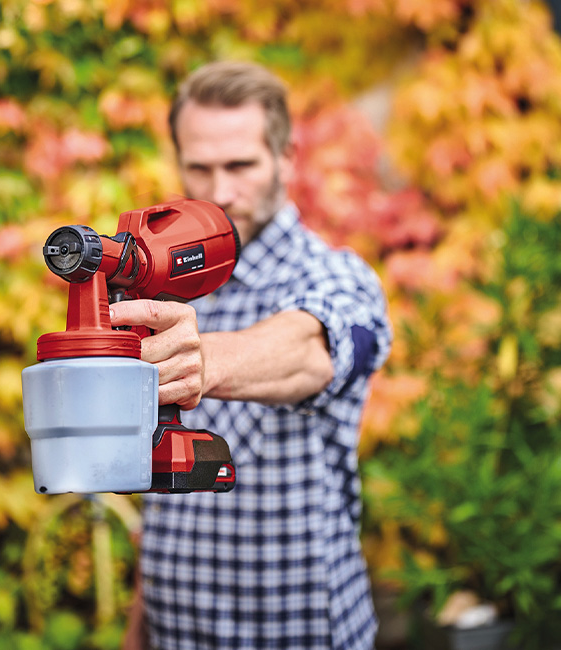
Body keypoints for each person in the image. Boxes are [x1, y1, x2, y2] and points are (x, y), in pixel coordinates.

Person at [111, 61, 392, 650]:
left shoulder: (334, 276)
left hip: (296, 633)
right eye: (199, 167)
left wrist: (206, 362)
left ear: (286, 159)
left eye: (240, 165)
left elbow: (313, 348)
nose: (220, 192)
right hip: (174, 630)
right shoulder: (160, 289)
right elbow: (166, 506)